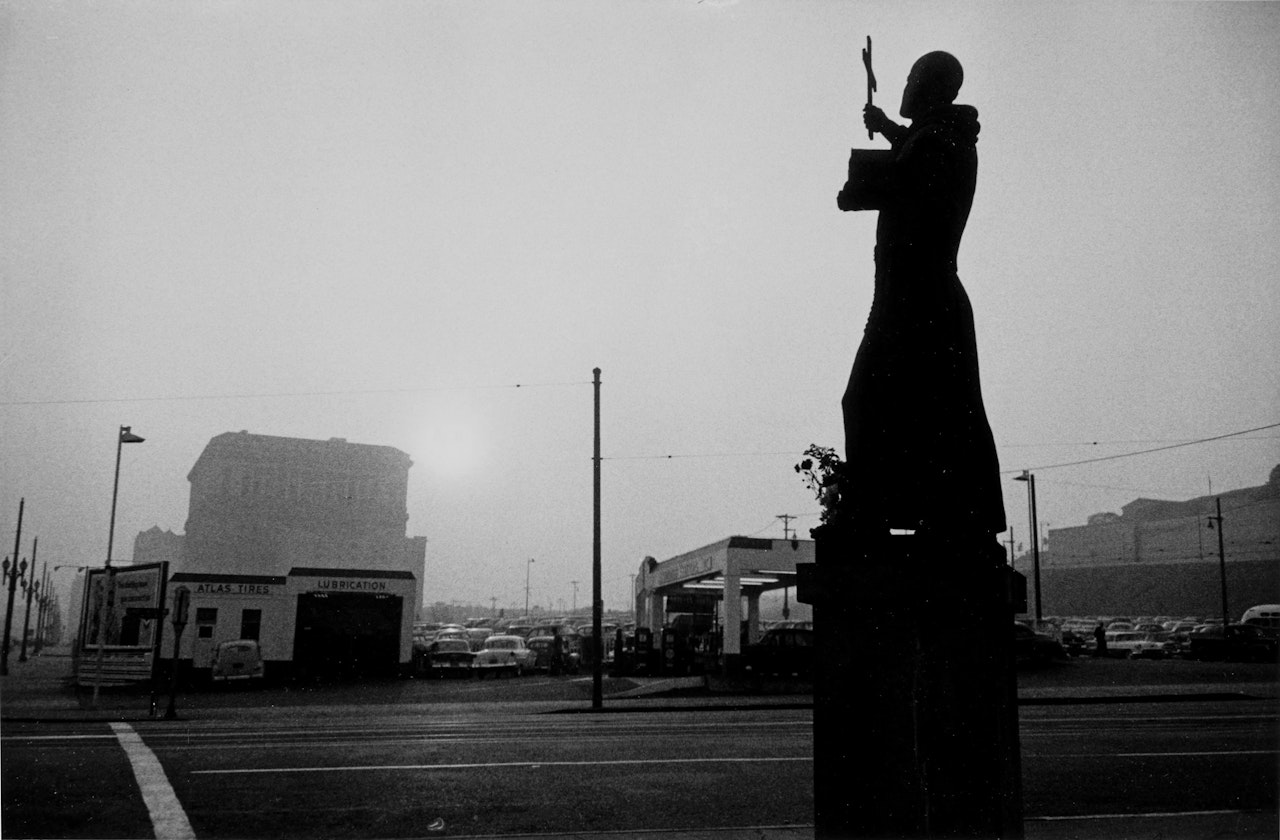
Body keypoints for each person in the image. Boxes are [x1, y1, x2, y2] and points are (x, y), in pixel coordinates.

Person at [837, 51, 1005, 539]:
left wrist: (862, 182)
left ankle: (875, 515)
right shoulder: (938, 137)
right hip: (909, 296)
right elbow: (913, 151)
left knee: (872, 403)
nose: (904, 86)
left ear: (932, 87)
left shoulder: (939, 143)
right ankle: (938, 517)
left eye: (911, 78)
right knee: (936, 412)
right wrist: (889, 127)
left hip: (918, 300)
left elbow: (908, 177)